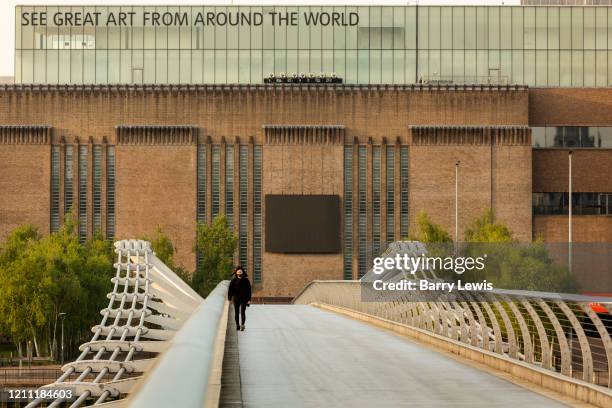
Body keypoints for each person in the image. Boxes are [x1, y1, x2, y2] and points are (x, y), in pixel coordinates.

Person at [228, 266, 251, 331]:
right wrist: (229, 299)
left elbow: (249, 290)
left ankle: (242, 325)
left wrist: (249, 300)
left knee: (243, 312)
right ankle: (237, 325)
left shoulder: (246, 280)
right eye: (238, 272)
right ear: (236, 273)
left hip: (244, 299)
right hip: (236, 299)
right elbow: (230, 290)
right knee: (236, 312)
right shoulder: (233, 281)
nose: (239, 273)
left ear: (243, 272)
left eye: (241, 272)